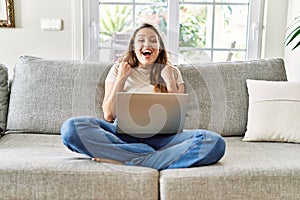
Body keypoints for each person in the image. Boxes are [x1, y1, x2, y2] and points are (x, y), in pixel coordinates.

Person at [61, 23, 225, 170]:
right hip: (122, 137)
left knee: (214, 142)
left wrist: (169, 80)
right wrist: (121, 79)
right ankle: (149, 156)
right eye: (141, 40)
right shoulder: (118, 70)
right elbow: (109, 115)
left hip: (164, 139)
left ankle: (130, 160)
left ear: (160, 47)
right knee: (71, 128)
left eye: (153, 40)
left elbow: (178, 114)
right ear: (133, 46)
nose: (147, 44)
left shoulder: (172, 72)